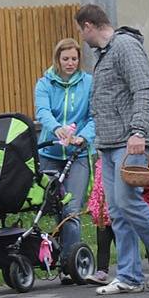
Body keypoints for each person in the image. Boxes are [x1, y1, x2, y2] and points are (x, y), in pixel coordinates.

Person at [74, 4, 149, 295]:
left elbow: (143, 89)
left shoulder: (125, 46)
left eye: (81, 31)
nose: (82, 38)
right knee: (117, 211)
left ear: (88, 26)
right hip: (109, 143)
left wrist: (137, 131)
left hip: (130, 140)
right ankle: (129, 276)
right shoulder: (105, 54)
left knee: (128, 202)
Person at [34, 38, 95, 282]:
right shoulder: (45, 83)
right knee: (54, 208)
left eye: (74, 59)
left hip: (78, 154)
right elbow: (42, 111)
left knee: (71, 209)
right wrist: (56, 128)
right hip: (50, 153)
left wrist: (83, 136)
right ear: (57, 59)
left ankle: (71, 264)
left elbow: (94, 116)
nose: (70, 63)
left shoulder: (89, 83)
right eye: (65, 59)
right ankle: (59, 257)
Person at [85, 158, 114, 285]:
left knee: (123, 241)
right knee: (102, 243)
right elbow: (96, 188)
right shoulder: (99, 165)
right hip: (102, 212)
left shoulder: (116, 162)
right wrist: (92, 204)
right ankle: (102, 271)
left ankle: (129, 269)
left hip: (116, 211)